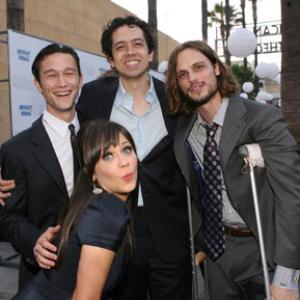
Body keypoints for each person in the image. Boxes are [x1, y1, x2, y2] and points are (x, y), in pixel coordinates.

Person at [165, 40, 300, 300]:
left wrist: (287, 275)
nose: (192, 78)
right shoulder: (185, 130)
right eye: (183, 74)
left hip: (263, 246)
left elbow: (291, 195)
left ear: (216, 68)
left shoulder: (261, 118)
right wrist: (199, 238)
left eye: (198, 67)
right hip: (217, 253)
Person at [76, 16, 191, 300]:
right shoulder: (92, 97)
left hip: (169, 228)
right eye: (121, 47)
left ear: (150, 53)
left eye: (138, 44)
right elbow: (76, 149)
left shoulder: (175, 97)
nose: (130, 52)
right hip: (115, 226)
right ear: (110, 59)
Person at [12, 119, 138, 300]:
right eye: (108, 156)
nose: (124, 162)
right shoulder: (107, 213)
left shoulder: (94, 203)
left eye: (126, 149)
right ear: (91, 172)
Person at [0, 43, 83, 288]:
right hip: (44, 277)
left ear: (80, 78)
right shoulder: (16, 149)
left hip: (101, 274)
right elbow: (9, 216)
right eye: (51, 75)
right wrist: (34, 241)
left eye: (69, 73)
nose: (62, 83)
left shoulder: (99, 136)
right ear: (38, 85)